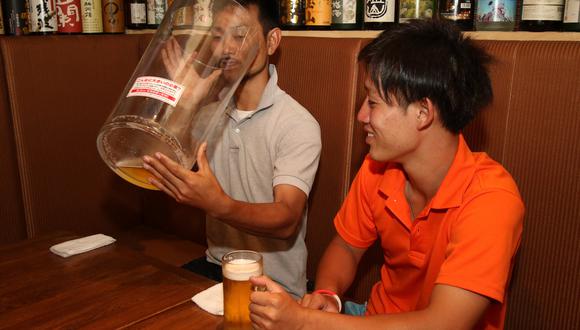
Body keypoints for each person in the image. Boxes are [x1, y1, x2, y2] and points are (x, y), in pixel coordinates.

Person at [249, 19, 524, 329]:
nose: (361, 116)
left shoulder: (491, 201)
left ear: (423, 113)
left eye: (374, 103)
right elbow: (346, 247)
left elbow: (442, 324)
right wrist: (328, 293)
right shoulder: (378, 166)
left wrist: (303, 322)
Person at [142, 0, 321, 299]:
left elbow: (286, 219)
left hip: (275, 285)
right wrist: (184, 107)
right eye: (217, 36)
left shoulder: (297, 123)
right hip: (216, 269)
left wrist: (219, 204)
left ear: (272, 41)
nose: (226, 48)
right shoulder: (205, 115)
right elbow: (151, 162)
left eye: (239, 35)